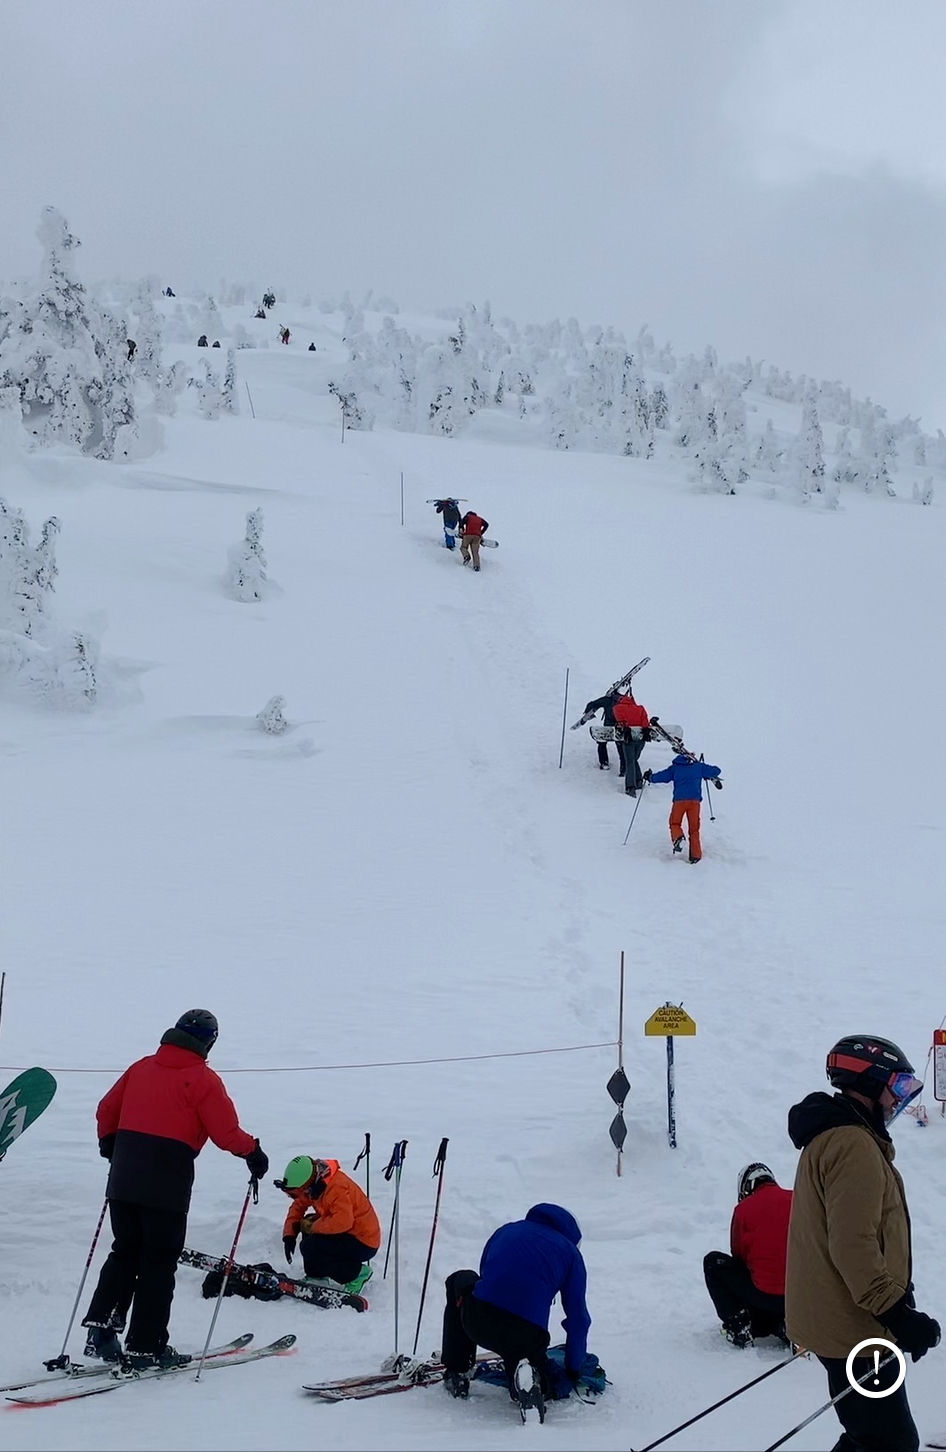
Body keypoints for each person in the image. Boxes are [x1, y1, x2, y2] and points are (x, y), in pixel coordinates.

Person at [81, 1010, 267, 1370]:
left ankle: (101, 1330)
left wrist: (110, 1146)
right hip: (166, 1182)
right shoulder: (203, 1080)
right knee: (158, 1262)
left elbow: (106, 1110)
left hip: (124, 1178)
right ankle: (145, 1347)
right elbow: (225, 1133)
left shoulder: (140, 1068)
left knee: (125, 1251)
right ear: (209, 1041)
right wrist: (254, 1152)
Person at [786, 1035, 940, 1452]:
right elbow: (852, 1245)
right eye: (900, 1087)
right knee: (891, 1442)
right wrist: (897, 1313)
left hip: (845, 1319)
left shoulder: (837, 1137)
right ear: (871, 1082)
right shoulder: (852, 1144)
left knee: (871, 1435)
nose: (900, 1102)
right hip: (855, 1328)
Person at [441, 1203, 591, 1409]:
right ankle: (529, 1379)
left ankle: (457, 1371)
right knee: (526, 1361)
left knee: (461, 1279)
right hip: (526, 1336)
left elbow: (485, 1275)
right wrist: (573, 1370)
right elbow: (578, 1320)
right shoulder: (571, 1254)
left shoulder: (507, 1231)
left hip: (478, 1320)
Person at [703, 1162, 792, 1348]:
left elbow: (739, 1257)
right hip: (798, 1296)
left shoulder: (742, 1210)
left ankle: (740, 1327)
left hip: (762, 1294)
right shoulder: (797, 1199)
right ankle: (787, 1323)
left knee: (713, 1263)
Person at [278, 1155, 380, 1287]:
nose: (294, 1197)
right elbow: (299, 1205)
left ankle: (357, 1273)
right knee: (307, 1225)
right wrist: (289, 1235)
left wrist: (314, 1227)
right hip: (347, 1232)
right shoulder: (315, 1184)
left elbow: (343, 1221)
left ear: (306, 1184)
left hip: (363, 1241)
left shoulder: (336, 1187)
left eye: (294, 1194)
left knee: (310, 1245)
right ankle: (316, 1276)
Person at [643, 754, 722, 862]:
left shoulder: (675, 768)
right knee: (694, 829)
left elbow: (663, 776)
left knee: (674, 823)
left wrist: (650, 777)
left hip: (679, 801)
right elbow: (717, 770)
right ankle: (696, 856)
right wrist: (703, 768)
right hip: (694, 802)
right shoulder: (698, 767)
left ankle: (679, 838)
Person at [612, 692, 652, 796]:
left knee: (629, 761)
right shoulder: (640, 708)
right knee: (634, 759)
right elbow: (645, 723)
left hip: (628, 738)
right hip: (641, 738)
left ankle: (630, 787)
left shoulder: (617, 708)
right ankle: (638, 781)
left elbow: (621, 722)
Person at [582, 691, 628, 775]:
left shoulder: (607, 699)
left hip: (608, 727)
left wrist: (587, 712)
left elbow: (594, 703)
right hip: (620, 727)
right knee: (621, 746)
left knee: (602, 743)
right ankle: (624, 768)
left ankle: (604, 763)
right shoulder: (625, 700)